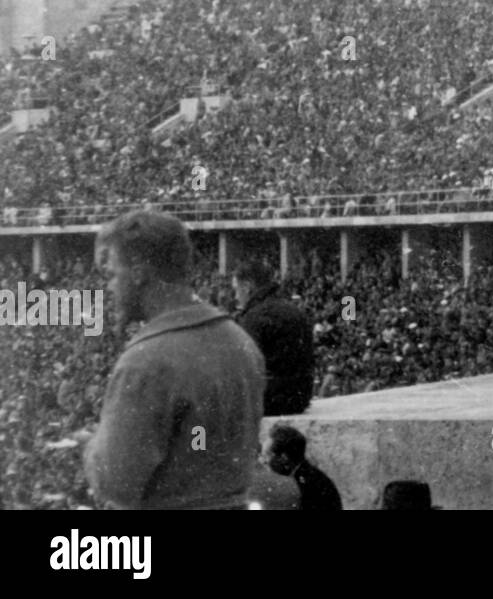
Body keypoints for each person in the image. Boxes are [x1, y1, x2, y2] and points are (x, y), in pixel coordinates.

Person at [84, 210, 265, 510]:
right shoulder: (240, 341)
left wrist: (91, 447)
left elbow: (115, 483)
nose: (109, 287)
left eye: (113, 273)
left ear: (139, 271)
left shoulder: (145, 362)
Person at [234, 258, 314, 416]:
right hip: (299, 399)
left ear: (248, 287)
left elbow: (245, 367)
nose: (235, 296)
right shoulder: (293, 310)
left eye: (236, 289)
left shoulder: (254, 317)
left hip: (270, 401)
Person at [265, 423, 343, 511]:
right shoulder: (308, 476)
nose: (264, 461)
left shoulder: (305, 486)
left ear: (284, 457)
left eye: (268, 455)